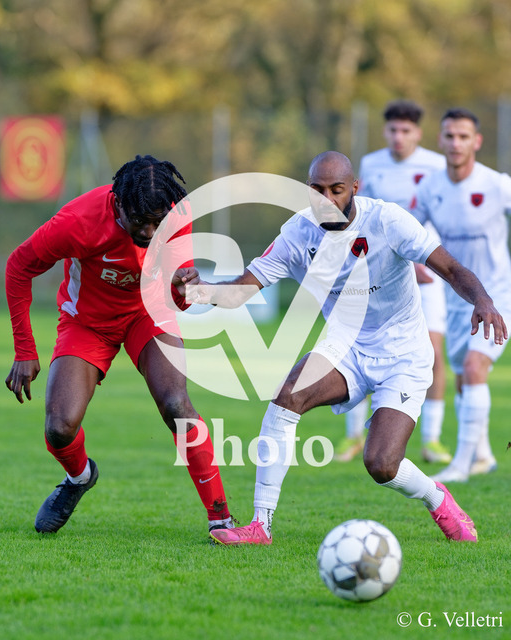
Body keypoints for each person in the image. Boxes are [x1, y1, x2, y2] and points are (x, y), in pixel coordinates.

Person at [177, 151, 507, 546]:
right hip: (345, 345)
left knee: (381, 464)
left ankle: (437, 498)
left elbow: (450, 268)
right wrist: (196, 291)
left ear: (354, 188)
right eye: (317, 190)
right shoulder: (298, 233)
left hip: (403, 353)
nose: (327, 200)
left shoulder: (387, 220)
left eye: (336, 190)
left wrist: (483, 301)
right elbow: (241, 290)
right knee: (287, 396)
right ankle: (260, 525)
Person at [5, 154, 234, 536]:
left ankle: (221, 519)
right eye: (140, 221)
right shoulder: (78, 222)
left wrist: (187, 289)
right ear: (119, 203)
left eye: (156, 222)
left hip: (148, 312)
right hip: (87, 323)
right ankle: (79, 477)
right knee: (59, 427)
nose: (149, 231)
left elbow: (180, 297)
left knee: (176, 404)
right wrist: (26, 350)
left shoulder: (174, 214)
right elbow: (18, 267)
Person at [335, 99, 450, 465]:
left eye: (406, 130)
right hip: (380, 269)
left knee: (434, 351)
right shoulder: (371, 164)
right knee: (362, 344)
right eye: (393, 130)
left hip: (426, 270)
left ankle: (432, 439)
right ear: (385, 131)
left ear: (418, 133)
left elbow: (439, 217)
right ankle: (354, 434)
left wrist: (425, 259)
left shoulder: (436, 165)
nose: (398, 137)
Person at [413, 108, 511, 483]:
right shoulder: (429, 187)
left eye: (463, 136)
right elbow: (410, 230)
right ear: (440, 140)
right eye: (450, 136)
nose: (456, 143)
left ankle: (461, 465)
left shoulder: (497, 185)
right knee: (462, 376)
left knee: (473, 367)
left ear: (477, 142)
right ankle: (483, 455)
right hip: (456, 298)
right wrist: (412, 263)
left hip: (497, 294)